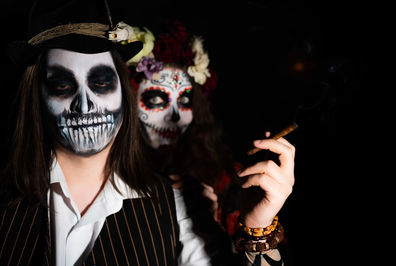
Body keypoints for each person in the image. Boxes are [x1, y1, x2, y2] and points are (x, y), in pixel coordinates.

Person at [1, 1, 295, 266]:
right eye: (62, 86)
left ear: (121, 94)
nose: (85, 104)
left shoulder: (176, 208)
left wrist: (260, 228)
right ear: (36, 97)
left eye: (102, 83)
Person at [128, 20, 296, 266]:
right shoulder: (96, 180)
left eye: (184, 100)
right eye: (155, 99)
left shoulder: (228, 180)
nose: (175, 115)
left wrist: (258, 227)